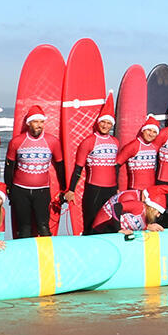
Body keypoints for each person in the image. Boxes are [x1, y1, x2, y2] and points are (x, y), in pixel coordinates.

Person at [67, 100, 121, 235]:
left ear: (112, 125)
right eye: (103, 122)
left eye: (108, 123)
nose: (105, 125)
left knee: (109, 221)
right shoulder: (89, 142)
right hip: (94, 189)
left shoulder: (115, 142)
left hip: (111, 189)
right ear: (98, 122)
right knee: (91, 223)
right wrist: (71, 190)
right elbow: (78, 168)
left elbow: (115, 168)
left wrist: (118, 187)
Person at [5, 106, 60, 238]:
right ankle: (25, 256)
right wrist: (9, 191)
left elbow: (60, 166)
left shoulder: (52, 141)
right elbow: (9, 168)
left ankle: (47, 257)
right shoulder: (16, 142)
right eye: (35, 121)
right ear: (28, 123)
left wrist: (64, 189)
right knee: (24, 228)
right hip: (20, 191)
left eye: (41, 122)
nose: (39, 125)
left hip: (42, 191)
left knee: (44, 227)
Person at [97, 187, 166, 238]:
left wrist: (148, 227)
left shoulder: (144, 217)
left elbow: (136, 223)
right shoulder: (139, 206)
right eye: (158, 212)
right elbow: (116, 207)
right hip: (101, 229)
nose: (158, 216)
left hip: (110, 230)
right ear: (152, 208)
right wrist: (119, 230)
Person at [115, 118, 162, 192]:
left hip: (150, 190)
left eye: (154, 132)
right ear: (143, 130)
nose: (151, 134)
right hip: (135, 189)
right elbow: (116, 165)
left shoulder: (154, 146)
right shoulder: (133, 146)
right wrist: (117, 187)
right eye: (149, 130)